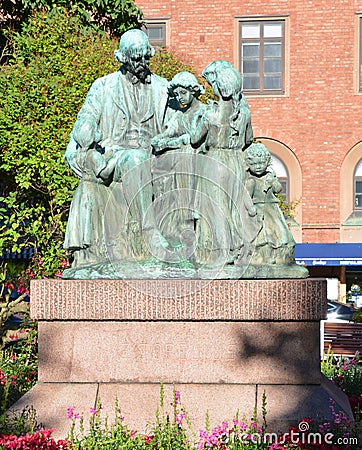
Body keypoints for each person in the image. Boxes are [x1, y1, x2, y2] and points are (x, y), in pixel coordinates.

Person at [64, 29, 173, 270]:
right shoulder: (103, 87)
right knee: (135, 159)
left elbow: (177, 126)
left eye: (146, 57)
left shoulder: (164, 88)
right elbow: (85, 122)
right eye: (136, 59)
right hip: (116, 159)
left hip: (156, 158)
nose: (142, 64)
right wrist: (83, 136)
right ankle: (150, 232)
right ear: (121, 58)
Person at [189, 60, 260, 268]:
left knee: (217, 209)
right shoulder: (244, 113)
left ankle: (224, 251)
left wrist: (196, 120)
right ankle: (239, 247)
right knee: (234, 208)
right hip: (236, 161)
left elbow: (195, 139)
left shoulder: (210, 114)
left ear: (220, 88)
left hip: (216, 161)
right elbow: (248, 139)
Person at [150, 72, 206, 252]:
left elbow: (192, 140)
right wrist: (160, 139)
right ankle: (167, 221)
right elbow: (169, 133)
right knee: (160, 163)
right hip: (182, 159)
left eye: (182, 93)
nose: (179, 98)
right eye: (176, 95)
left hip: (200, 159)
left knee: (184, 156)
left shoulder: (203, 112)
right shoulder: (179, 116)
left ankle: (188, 216)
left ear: (193, 91)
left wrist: (169, 142)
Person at [244, 142, 295, 265]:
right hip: (259, 211)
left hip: (272, 210)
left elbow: (278, 190)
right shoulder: (250, 181)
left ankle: (281, 256)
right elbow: (245, 197)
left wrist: (273, 181)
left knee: (279, 233)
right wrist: (251, 210)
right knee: (263, 236)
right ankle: (263, 257)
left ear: (267, 162)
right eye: (254, 164)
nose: (258, 167)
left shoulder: (270, 176)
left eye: (261, 163)